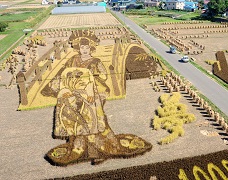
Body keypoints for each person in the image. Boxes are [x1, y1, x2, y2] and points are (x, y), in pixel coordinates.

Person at [42, 30, 152, 166]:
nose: (84, 50)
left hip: (91, 97)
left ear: (91, 48)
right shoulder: (72, 60)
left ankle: (101, 151)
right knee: (79, 124)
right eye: (81, 47)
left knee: (95, 123)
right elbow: (63, 74)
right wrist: (56, 87)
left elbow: (103, 76)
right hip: (74, 97)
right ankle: (79, 147)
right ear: (78, 48)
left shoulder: (95, 61)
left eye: (86, 47)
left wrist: (91, 87)